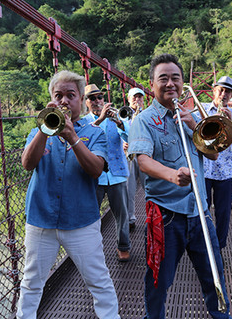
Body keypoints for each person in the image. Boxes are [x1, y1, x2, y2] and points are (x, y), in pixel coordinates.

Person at [128, 54, 232, 319]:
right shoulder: (144, 120)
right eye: (163, 78)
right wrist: (173, 176)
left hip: (199, 211)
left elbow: (213, 155)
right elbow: (143, 161)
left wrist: (194, 124)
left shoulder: (192, 115)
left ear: (183, 83)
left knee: (215, 276)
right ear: (152, 85)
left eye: (176, 78)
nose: (170, 83)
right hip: (165, 215)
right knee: (158, 281)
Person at [17, 70, 119, 318]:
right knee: (31, 284)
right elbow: (28, 164)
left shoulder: (95, 133)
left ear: (80, 99)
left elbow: (96, 170)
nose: (64, 101)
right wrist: (45, 127)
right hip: (41, 221)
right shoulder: (37, 132)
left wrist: (73, 136)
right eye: (58, 95)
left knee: (99, 282)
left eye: (70, 95)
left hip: (81, 221)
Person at [84, 84, 131, 262]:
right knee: (91, 215)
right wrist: (100, 119)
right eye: (92, 98)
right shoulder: (83, 122)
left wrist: (119, 122)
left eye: (100, 97)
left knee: (122, 213)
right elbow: (83, 139)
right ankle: (91, 249)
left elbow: (130, 138)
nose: (97, 101)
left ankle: (123, 246)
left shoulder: (117, 118)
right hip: (94, 175)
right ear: (86, 102)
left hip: (116, 173)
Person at [196, 76, 232, 250]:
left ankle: (219, 247)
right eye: (220, 90)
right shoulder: (200, 109)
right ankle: (204, 246)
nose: (223, 94)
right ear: (214, 91)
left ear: (231, 95)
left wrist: (230, 122)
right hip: (205, 170)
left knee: (223, 213)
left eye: (227, 92)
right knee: (203, 210)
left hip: (225, 170)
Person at [126, 86, 147, 231]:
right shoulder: (121, 114)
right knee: (129, 189)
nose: (137, 99)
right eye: (134, 97)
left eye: (139, 97)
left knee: (150, 187)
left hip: (145, 154)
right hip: (129, 155)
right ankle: (130, 218)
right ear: (128, 99)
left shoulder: (148, 115)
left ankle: (152, 216)